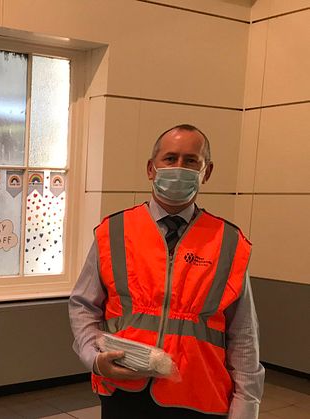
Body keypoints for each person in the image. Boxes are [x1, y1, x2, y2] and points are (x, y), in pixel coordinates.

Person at [69, 124, 264, 419]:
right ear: (151, 168)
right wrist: (93, 359)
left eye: (191, 161)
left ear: (206, 172)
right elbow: (84, 306)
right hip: (124, 388)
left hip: (199, 394)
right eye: (170, 158)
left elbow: (244, 334)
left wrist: (246, 406)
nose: (179, 168)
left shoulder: (228, 241)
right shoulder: (114, 231)